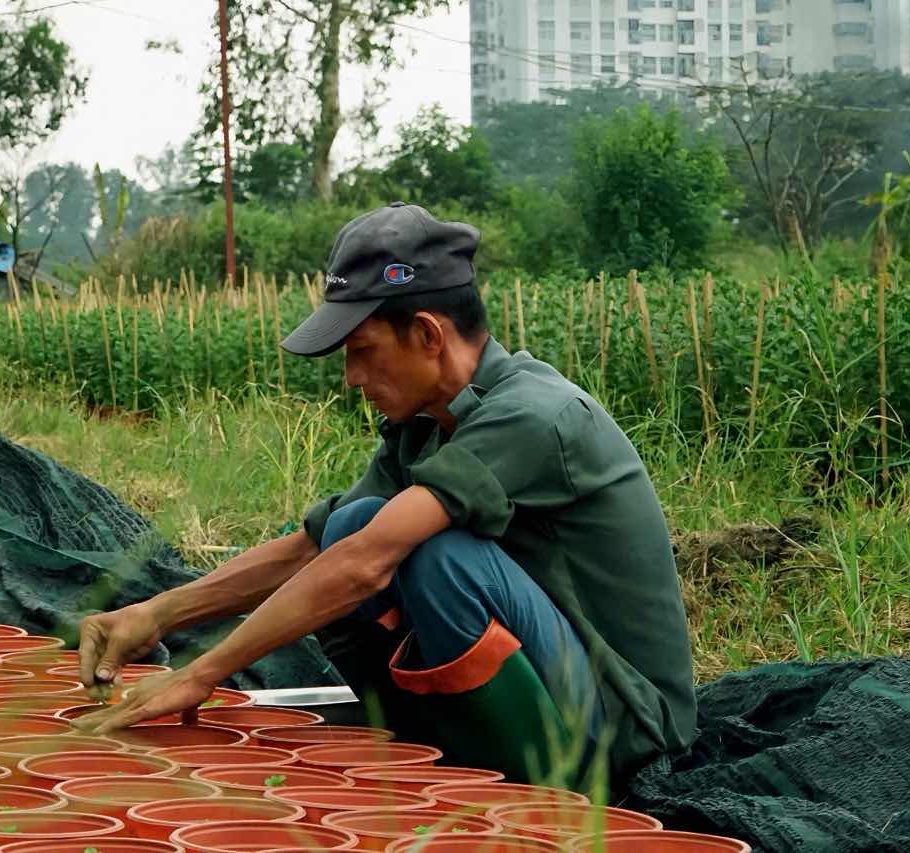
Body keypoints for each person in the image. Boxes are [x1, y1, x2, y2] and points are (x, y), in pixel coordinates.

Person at [71, 202, 696, 790]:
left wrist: (200, 674)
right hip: (559, 682)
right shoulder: (428, 425)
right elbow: (316, 549)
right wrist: (156, 614)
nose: (351, 378)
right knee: (354, 525)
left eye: (363, 352)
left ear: (428, 335)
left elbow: (366, 563)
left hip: (623, 720)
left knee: (430, 555)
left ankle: (547, 789)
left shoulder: (533, 417)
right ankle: (446, 752)